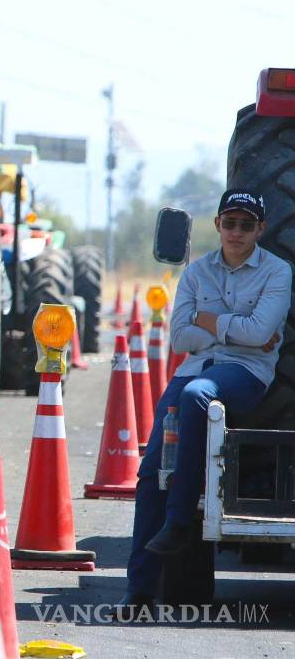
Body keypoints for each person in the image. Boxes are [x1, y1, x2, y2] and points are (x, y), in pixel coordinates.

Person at [120, 188, 292, 612]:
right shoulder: (196, 273)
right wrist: (240, 328)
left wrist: (207, 319)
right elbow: (182, 336)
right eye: (229, 222)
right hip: (194, 369)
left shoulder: (277, 272)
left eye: (246, 224)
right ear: (217, 225)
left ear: (261, 229)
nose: (236, 232)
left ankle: (179, 522)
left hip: (245, 375)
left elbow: (257, 336)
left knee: (198, 395)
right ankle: (139, 590)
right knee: (152, 470)